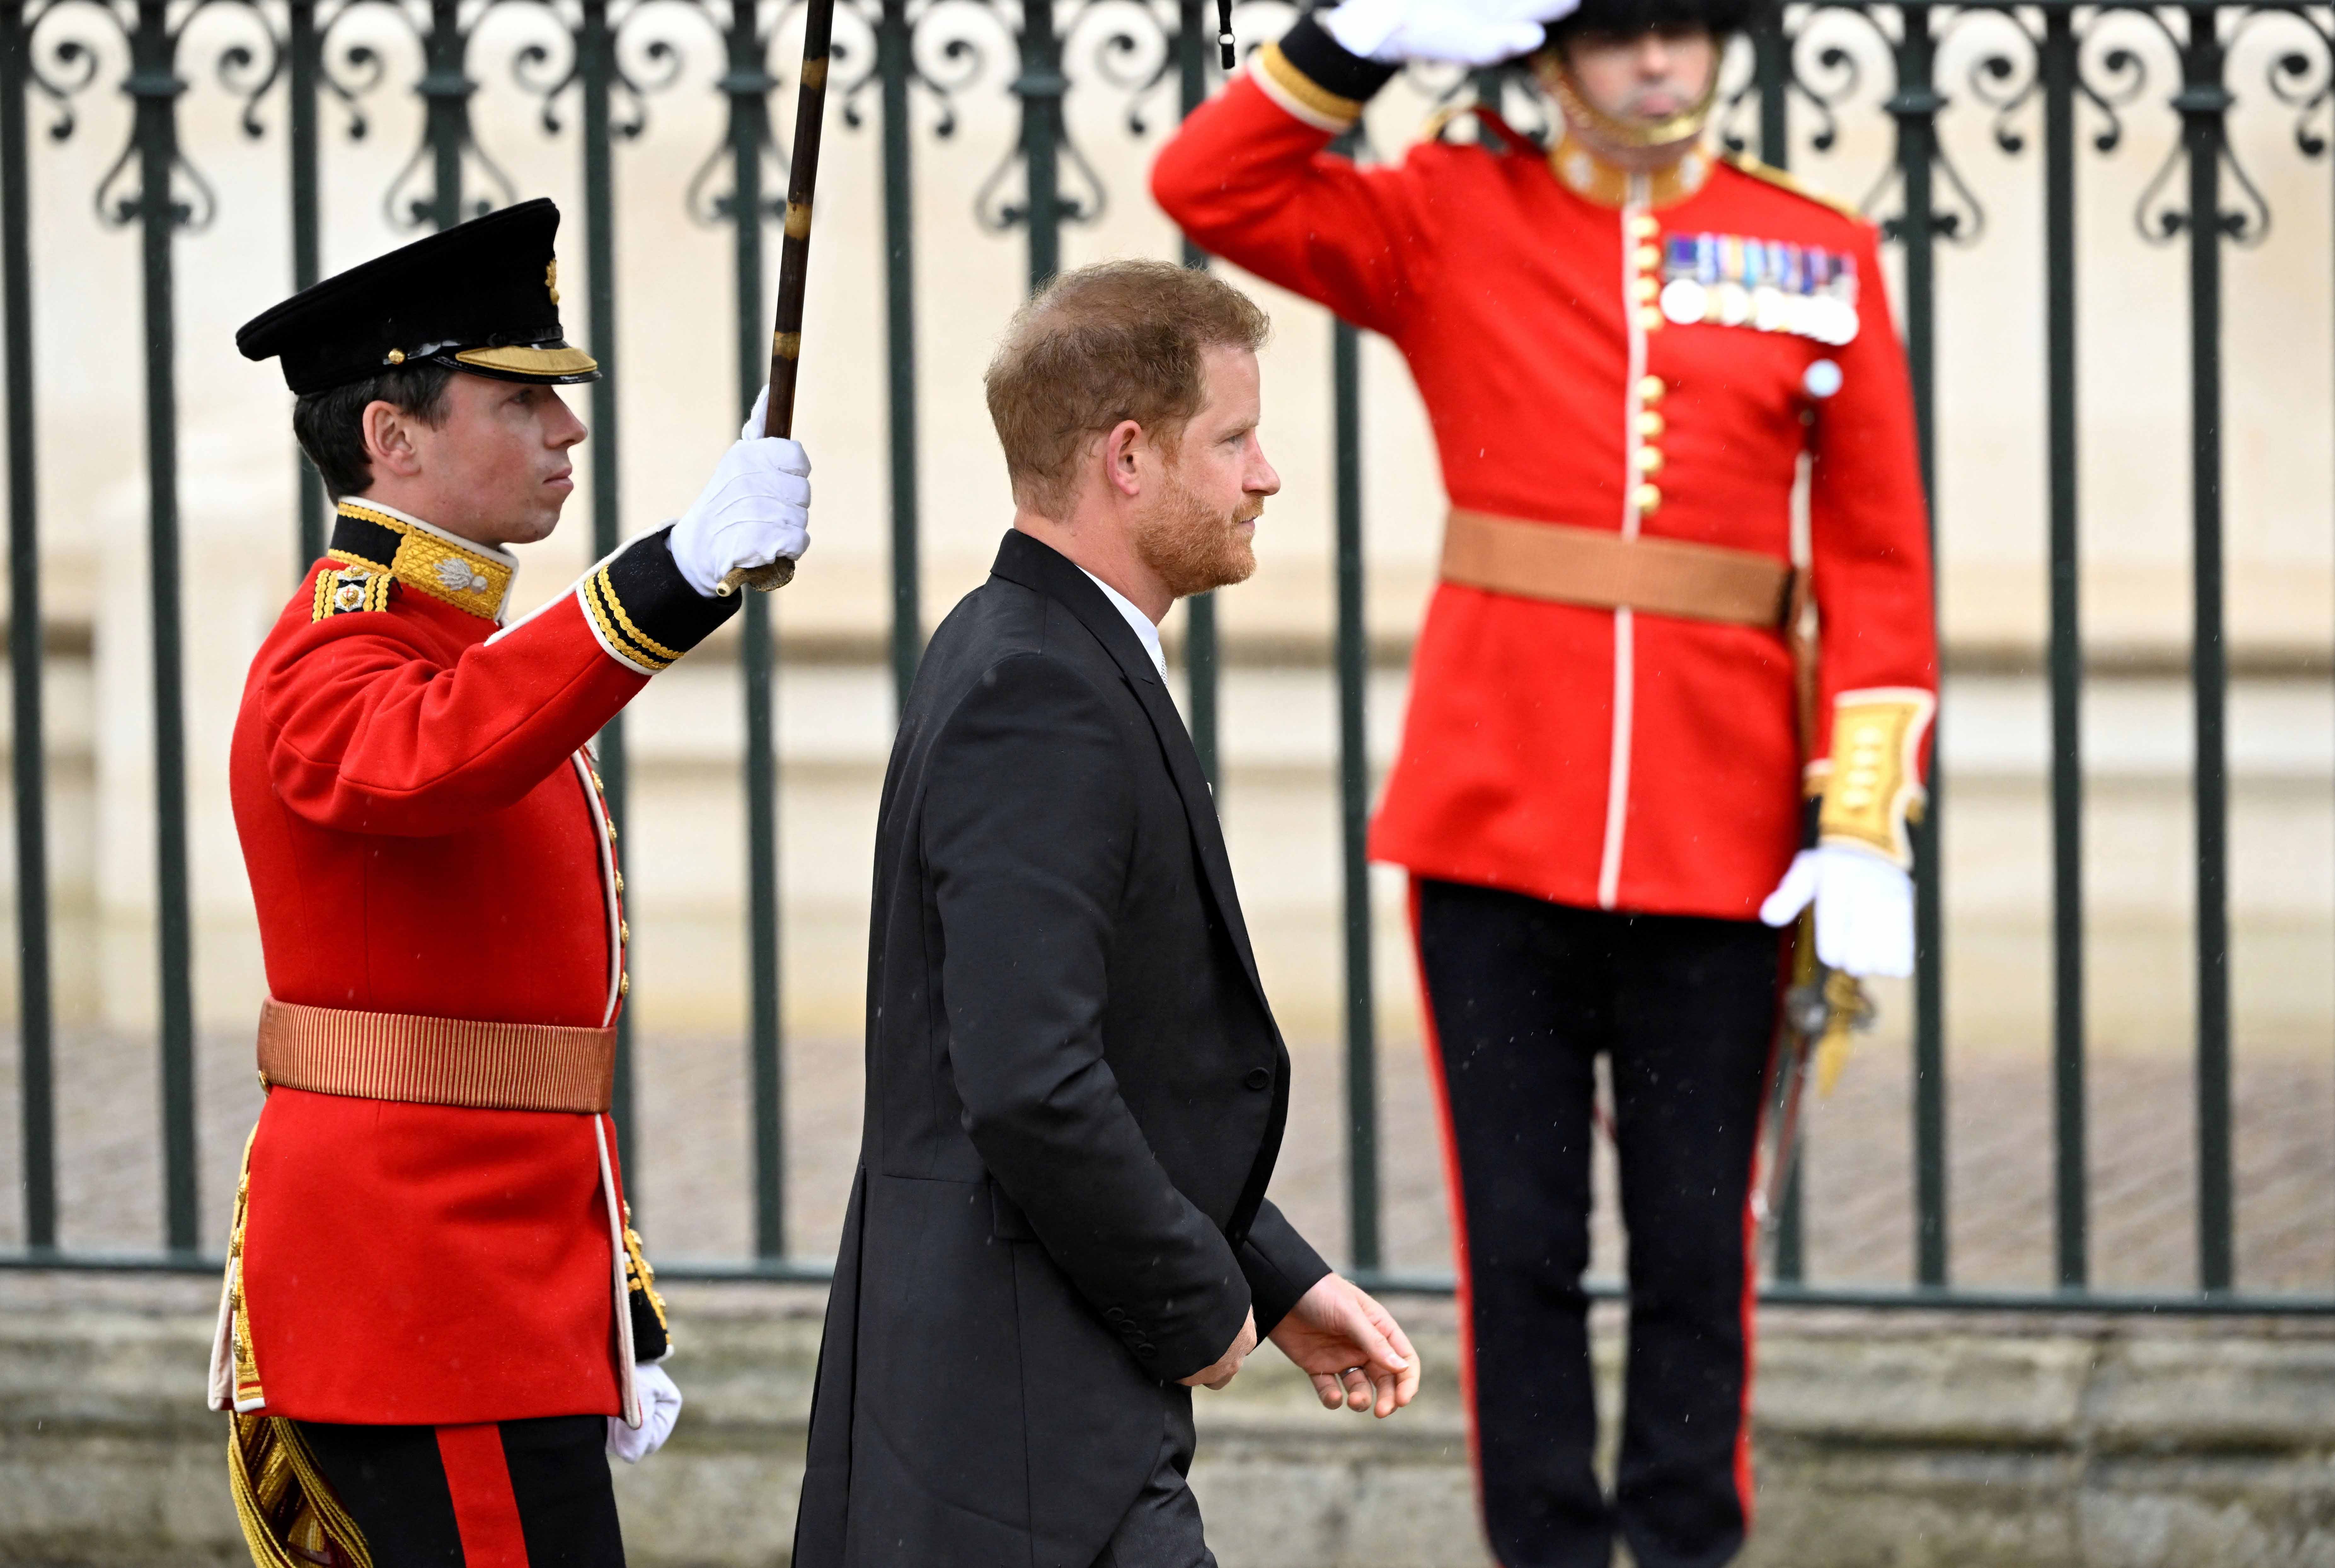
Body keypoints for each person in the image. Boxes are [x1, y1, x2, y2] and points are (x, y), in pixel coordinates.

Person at [1154, 3, 1938, 1564]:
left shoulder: (1814, 251)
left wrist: (1858, 811)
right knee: (1514, 1248)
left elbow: (1873, 561)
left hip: (1725, 840)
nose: (1658, 61)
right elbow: (1212, 188)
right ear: (1548, 51)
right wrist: (1355, 40)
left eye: (1684, 27)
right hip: (1495, 816)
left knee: (1692, 1250)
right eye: (1617, 31)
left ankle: (1684, 1546)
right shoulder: (1453, 208)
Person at [791, 259, 1423, 1568]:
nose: (1266, 476)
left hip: (1028, 1410)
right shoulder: (1042, 689)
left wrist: (1279, 1278)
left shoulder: (1036, 645)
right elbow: (1030, 1080)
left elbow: (1117, 1057)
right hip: (1016, 1437)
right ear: (1126, 458)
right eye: (1234, 440)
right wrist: (1195, 1302)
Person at [216, 197, 814, 1567]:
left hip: (496, 1306)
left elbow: (524, 1046)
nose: (568, 434)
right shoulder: (336, 654)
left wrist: (614, 1301)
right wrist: (668, 577)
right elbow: (428, 761)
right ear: (393, 435)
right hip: (422, 1314)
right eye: (519, 402)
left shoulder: (456, 648)